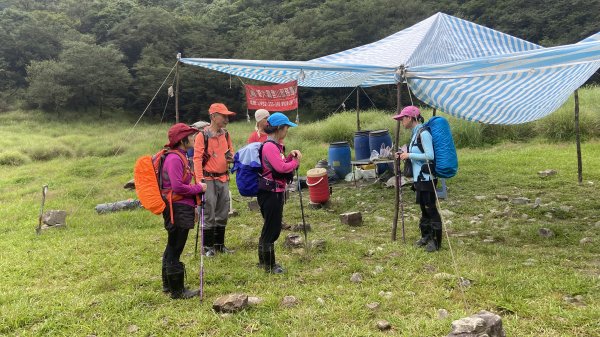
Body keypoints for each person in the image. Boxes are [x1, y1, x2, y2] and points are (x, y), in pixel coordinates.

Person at [161, 123, 207, 299]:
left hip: (181, 207)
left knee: (172, 245)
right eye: (191, 136)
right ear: (182, 140)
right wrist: (199, 188)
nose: (194, 139)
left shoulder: (180, 156)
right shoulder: (174, 159)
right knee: (176, 246)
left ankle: (168, 285)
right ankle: (177, 291)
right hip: (177, 208)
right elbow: (178, 187)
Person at [257, 112, 302, 273]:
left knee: (269, 227)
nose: (287, 131)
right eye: (286, 128)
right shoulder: (270, 146)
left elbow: (280, 164)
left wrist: (290, 156)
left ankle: (263, 262)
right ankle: (270, 265)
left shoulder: (274, 146)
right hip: (271, 193)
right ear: (279, 129)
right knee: (272, 229)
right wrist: (295, 162)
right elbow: (281, 168)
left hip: (271, 191)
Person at [394, 106, 443, 252]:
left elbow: (430, 156)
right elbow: (418, 153)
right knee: (423, 209)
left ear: (410, 118)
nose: (401, 122)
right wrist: (404, 154)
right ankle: (426, 236)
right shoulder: (415, 133)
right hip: (420, 179)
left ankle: (436, 242)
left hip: (428, 178)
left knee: (431, 209)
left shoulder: (424, 133)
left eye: (402, 118)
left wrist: (409, 155)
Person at [193, 103, 235, 257]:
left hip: (223, 177)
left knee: (223, 211)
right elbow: (196, 159)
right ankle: (207, 248)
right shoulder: (201, 136)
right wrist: (200, 181)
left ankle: (219, 245)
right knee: (208, 211)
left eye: (227, 116)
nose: (226, 119)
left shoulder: (226, 134)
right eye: (223, 116)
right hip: (208, 179)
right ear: (213, 117)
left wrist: (232, 159)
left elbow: (231, 153)